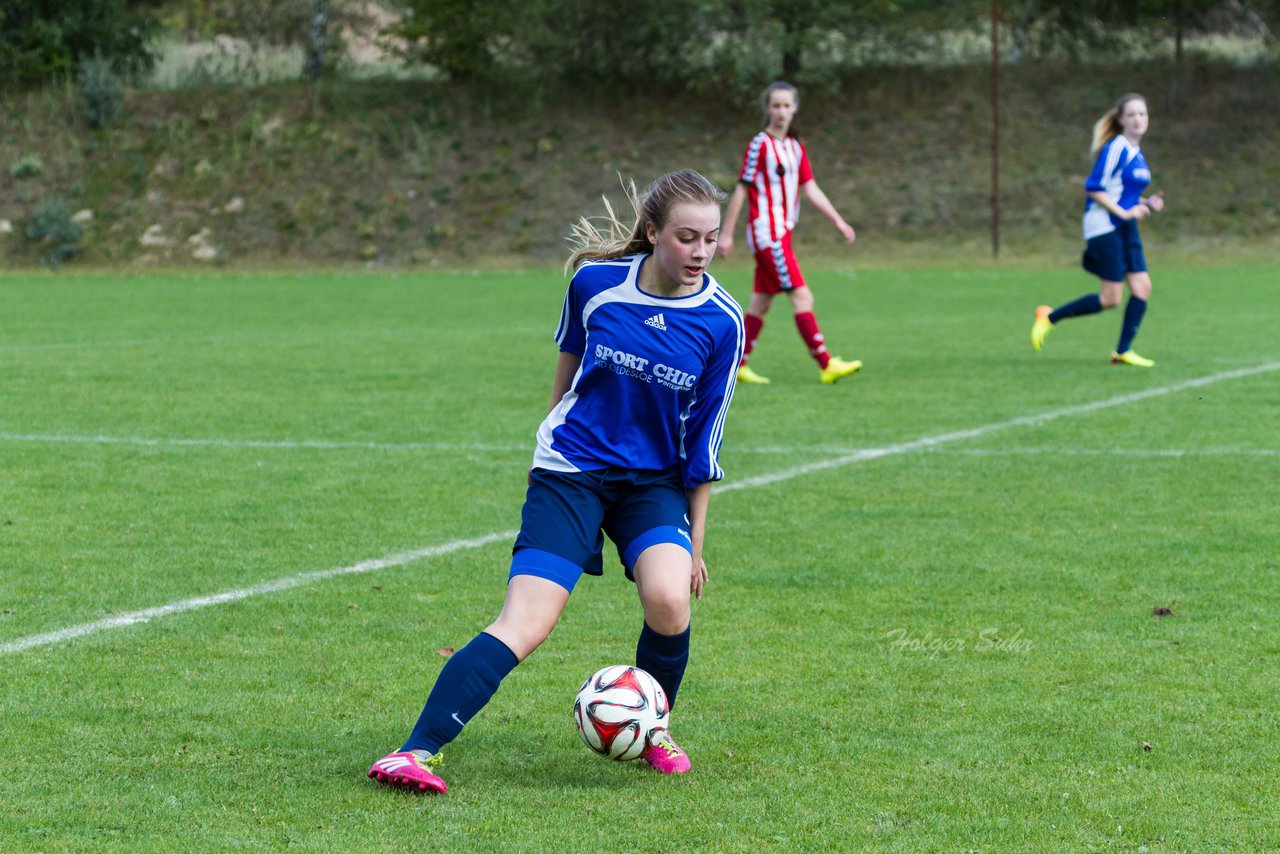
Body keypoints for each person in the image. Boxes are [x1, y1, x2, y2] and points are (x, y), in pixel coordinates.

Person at [367, 170, 744, 793]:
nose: (700, 253)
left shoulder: (722, 321)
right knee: (528, 621)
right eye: (685, 237)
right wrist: (544, 449)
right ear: (652, 233)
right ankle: (413, 752)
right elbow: (567, 372)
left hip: (653, 485)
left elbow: (706, 441)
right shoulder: (594, 286)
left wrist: (697, 543)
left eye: (709, 239)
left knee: (671, 599)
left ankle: (653, 726)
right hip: (571, 472)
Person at [718, 80, 862, 386]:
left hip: (782, 232)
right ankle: (826, 363)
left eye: (787, 105)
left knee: (761, 302)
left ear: (795, 109)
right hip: (767, 233)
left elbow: (810, 188)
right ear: (767, 109)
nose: (781, 112)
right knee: (802, 295)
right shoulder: (759, 144)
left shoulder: (795, 147)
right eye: (776, 105)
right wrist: (726, 233)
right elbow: (742, 189)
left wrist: (838, 221)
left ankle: (737, 365)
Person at [1031, 92, 1165, 367]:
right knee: (1111, 298)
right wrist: (1125, 212)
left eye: (1142, 114)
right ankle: (1049, 317)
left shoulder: (1136, 153)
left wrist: (1146, 203)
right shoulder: (1115, 147)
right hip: (1104, 226)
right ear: (1121, 120)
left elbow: (1122, 193)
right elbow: (1093, 187)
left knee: (1142, 288)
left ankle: (1122, 352)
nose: (1138, 119)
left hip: (1125, 225)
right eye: (1132, 115)